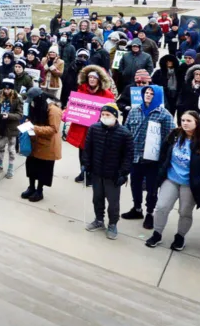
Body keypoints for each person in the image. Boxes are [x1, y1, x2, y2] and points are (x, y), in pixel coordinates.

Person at [146, 111, 200, 251]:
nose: (185, 123)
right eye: (183, 120)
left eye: (188, 120)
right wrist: (161, 168)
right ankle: (157, 234)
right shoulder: (174, 135)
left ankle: (180, 237)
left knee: (185, 212)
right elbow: (163, 152)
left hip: (190, 184)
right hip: (171, 178)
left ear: (196, 122)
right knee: (161, 207)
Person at [121, 85, 176, 229]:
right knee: (135, 184)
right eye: (146, 92)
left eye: (152, 93)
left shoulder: (164, 115)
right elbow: (126, 131)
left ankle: (150, 213)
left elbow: (171, 137)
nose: (148, 95)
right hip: (135, 156)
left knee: (152, 188)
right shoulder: (134, 111)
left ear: (157, 96)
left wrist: (163, 155)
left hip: (153, 160)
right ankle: (137, 208)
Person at [82, 104, 134, 240]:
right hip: (97, 172)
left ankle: (112, 224)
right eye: (103, 115)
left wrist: (123, 173)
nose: (105, 117)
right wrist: (86, 165)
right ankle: (99, 220)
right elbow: (87, 149)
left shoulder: (125, 134)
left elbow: (128, 156)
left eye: (108, 115)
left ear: (115, 116)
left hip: (113, 175)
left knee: (113, 203)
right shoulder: (94, 129)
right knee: (97, 199)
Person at [65, 65, 115, 182]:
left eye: (94, 78)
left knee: (94, 151)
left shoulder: (107, 94)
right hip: (81, 127)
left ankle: (91, 175)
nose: (91, 79)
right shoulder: (81, 90)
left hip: (97, 128)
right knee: (82, 150)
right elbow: (75, 105)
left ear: (99, 79)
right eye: (90, 77)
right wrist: (68, 110)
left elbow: (112, 111)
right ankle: (83, 172)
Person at [23, 90, 62, 202]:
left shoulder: (54, 110)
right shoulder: (36, 106)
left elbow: (53, 129)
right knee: (31, 166)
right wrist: (28, 122)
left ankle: (39, 191)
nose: (32, 103)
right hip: (34, 141)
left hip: (47, 145)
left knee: (43, 169)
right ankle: (31, 187)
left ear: (39, 98)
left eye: (33, 101)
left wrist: (34, 128)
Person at [0, 76, 23, 178]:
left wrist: (8, 115)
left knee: (11, 149)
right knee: (0, 147)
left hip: (12, 128)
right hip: (1, 127)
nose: (7, 91)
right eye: (5, 88)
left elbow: (20, 115)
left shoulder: (18, 98)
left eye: (9, 89)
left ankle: (10, 169)